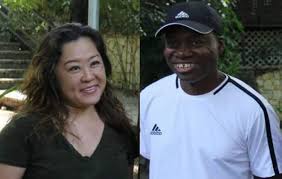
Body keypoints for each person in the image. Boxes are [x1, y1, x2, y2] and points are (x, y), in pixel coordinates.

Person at [140, 2, 282, 179]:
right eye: (173, 43)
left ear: (220, 46)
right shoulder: (149, 97)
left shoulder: (254, 110)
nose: (183, 52)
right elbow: (148, 163)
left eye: (196, 41)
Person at [0, 23, 138, 179]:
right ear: (51, 75)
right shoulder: (22, 131)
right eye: (74, 68)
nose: (88, 76)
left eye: (94, 63)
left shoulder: (120, 127)